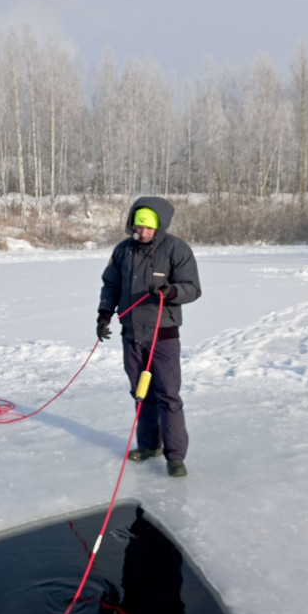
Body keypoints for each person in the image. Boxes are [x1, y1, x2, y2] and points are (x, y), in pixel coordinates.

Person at [96, 196, 201, 477]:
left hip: (163, 336)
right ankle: (149, 445)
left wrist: (171, 292)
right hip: (131, 334)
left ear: (160, 226)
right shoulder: (123, 251)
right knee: (141, 393)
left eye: (148, 228)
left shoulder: (177, 249)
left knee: (168, 394)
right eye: (139, 227)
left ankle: (175, 456)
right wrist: (104, 314)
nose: (142, 233)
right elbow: (110, 285)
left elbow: (192, 288)